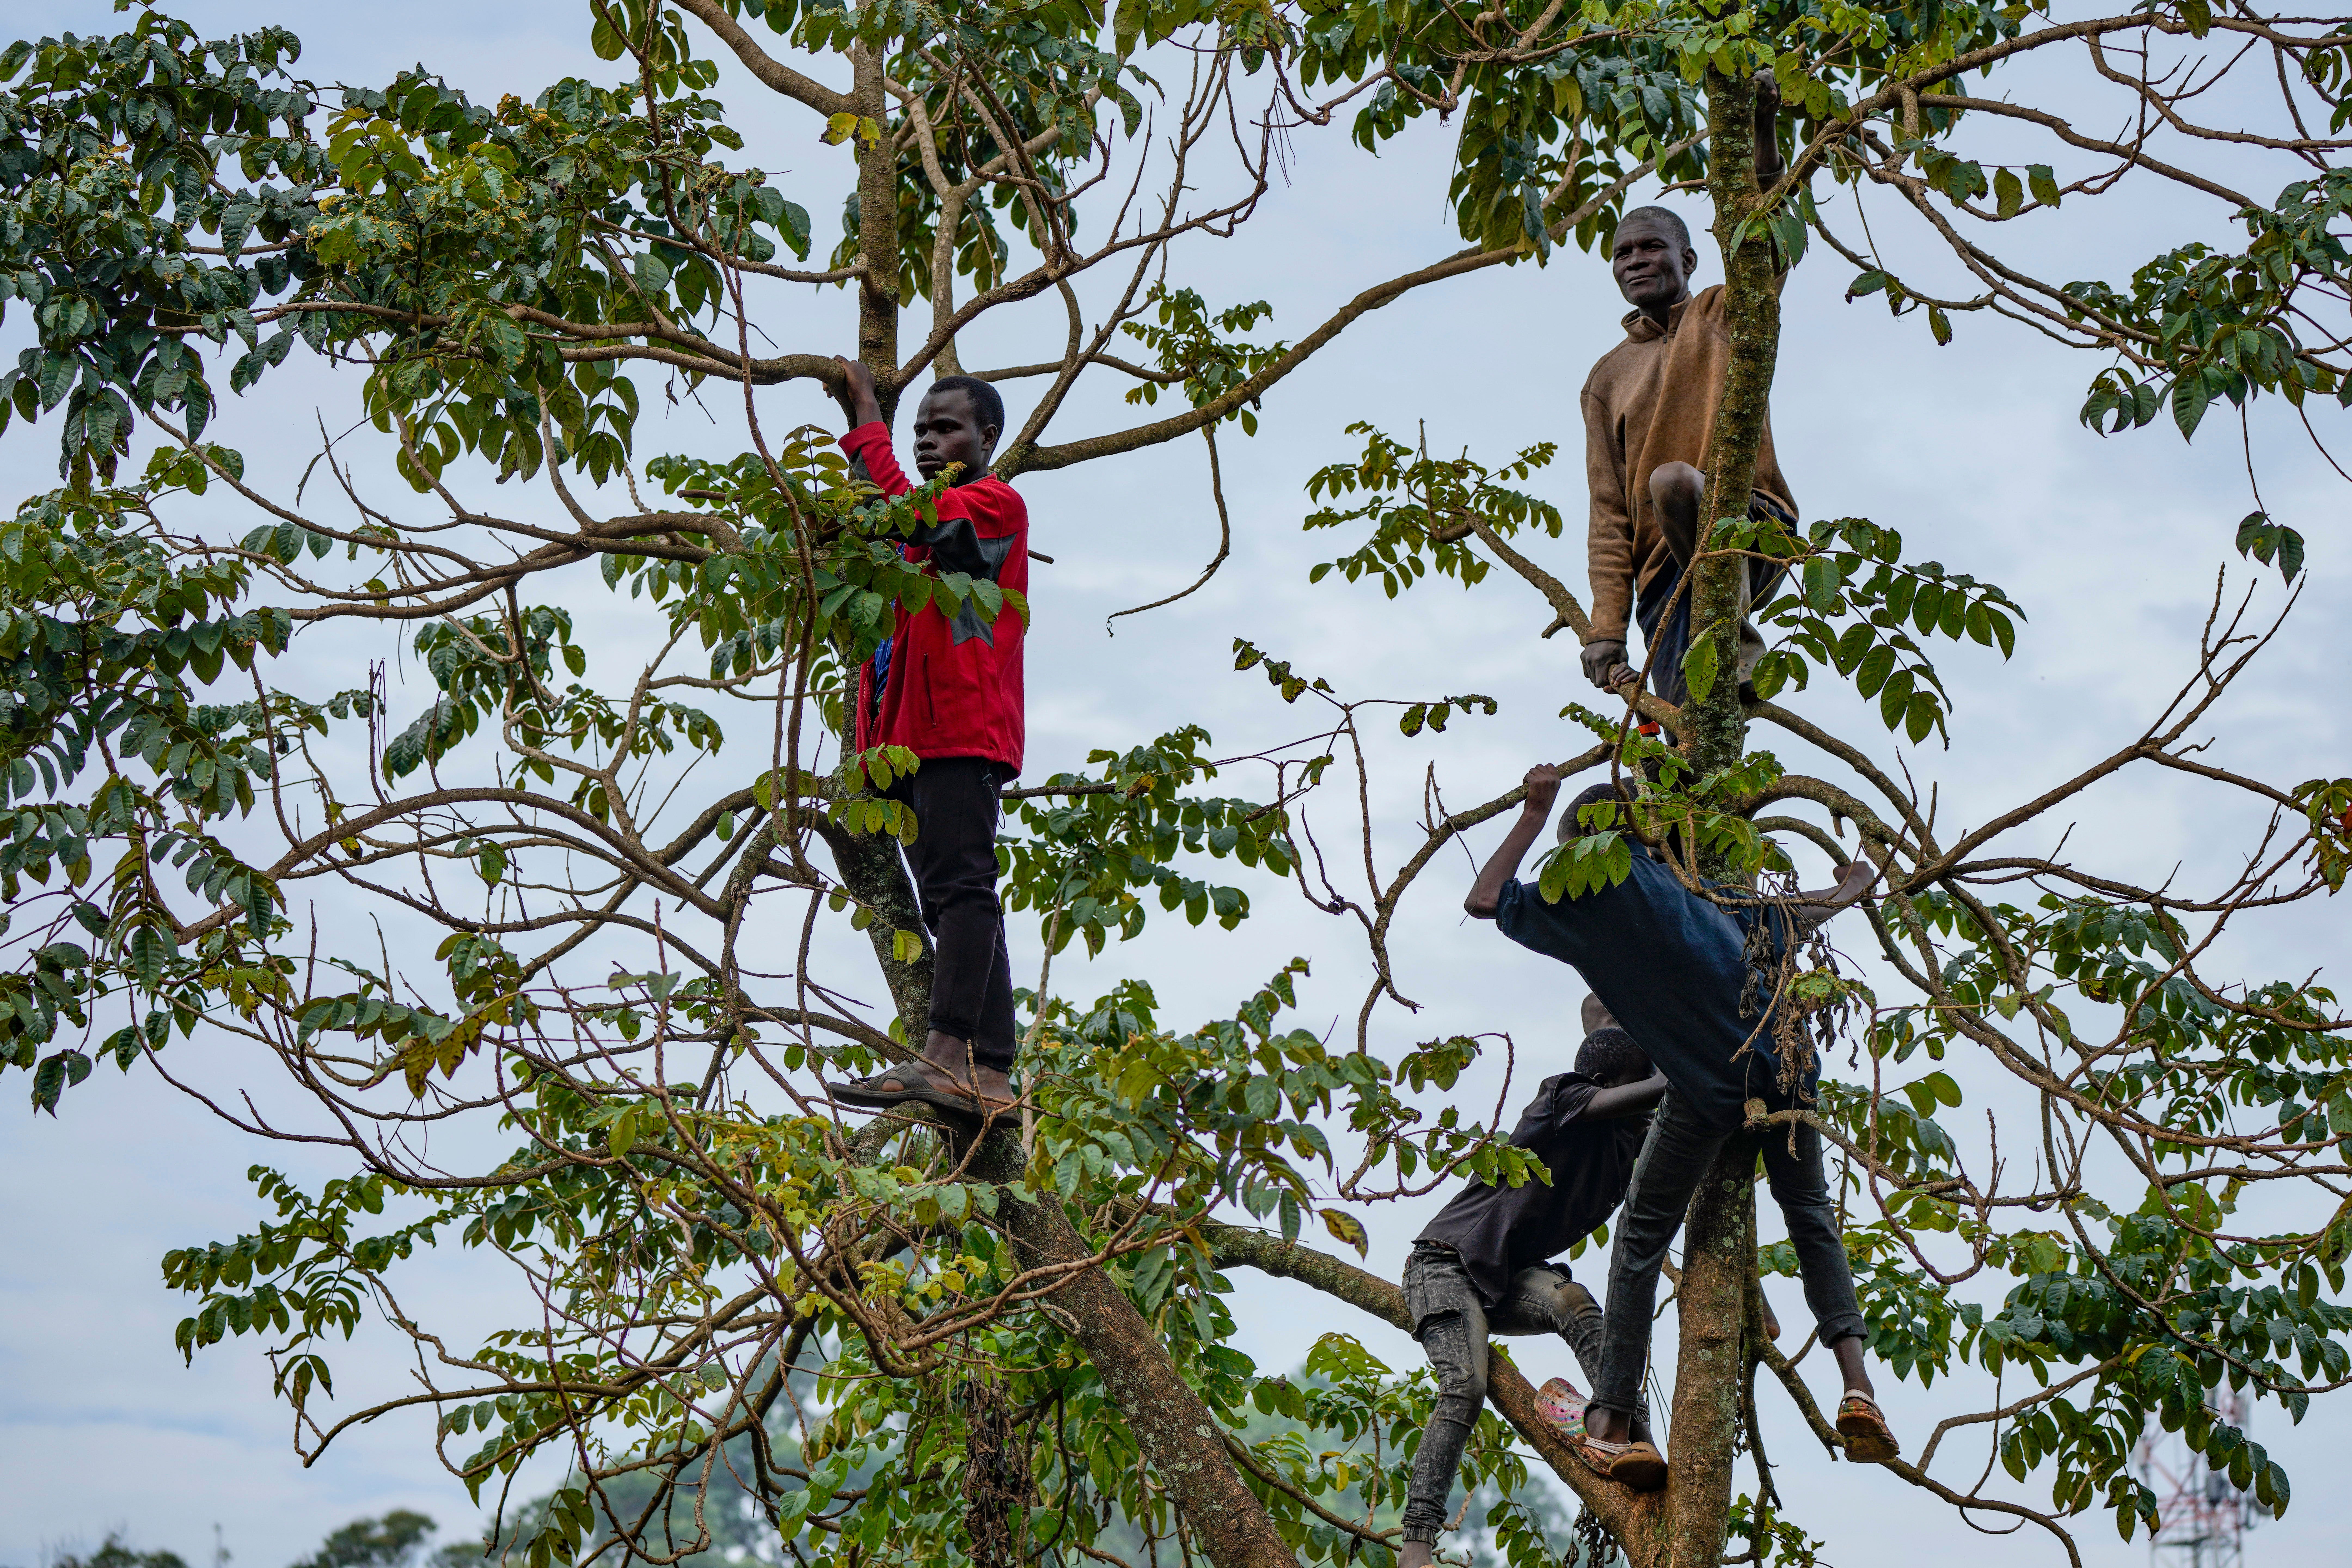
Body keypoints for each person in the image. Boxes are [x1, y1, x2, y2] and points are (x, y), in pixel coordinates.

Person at [1464, 766, 1901, 1490]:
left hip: (1713, 1082)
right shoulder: (1691, 886)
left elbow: (1487, 900)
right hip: (1790, 1064)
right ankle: (1859, 1387)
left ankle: (1607, 1425)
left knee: (1639, 1241)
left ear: (1582, 847)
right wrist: (1854, 882)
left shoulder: (1586, 889)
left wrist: (1535, 810)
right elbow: (1789, 916)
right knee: (1811, 1217)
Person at [825, 358, 1029, 1124]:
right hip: (912, 744)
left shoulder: (992, 504)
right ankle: (993, 1077)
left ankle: (945, 1057)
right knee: (951, 902)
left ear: (987, 436)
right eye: (919, 432)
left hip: (961, 734)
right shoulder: (920, 543)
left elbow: (905, 511)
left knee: (965, 890)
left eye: (946, 429)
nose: (930, 442)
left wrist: (867, 416)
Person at [1399, 999, 1668, 1567]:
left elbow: (1600, 1007)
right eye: (1639, 1080)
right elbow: (1636, 1082)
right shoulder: (1562, 1098)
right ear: (1606, 1083)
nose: (1646, 1092)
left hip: (1505, 1279)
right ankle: (1418, 1542)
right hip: (1445, 1265)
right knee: (1464, 1388)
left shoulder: (1629, 1141)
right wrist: (1686, 1067)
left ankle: (1628, 1436)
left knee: (1575, 1304)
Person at [1578, 78, 1798, 709]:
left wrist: (1763, 130)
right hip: (1661, 577)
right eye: (1622, 254)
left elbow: (1766, 229)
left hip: (1752, 527)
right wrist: (1604, 631)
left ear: (1690, 259)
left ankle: (1737, 646)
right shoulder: (1606, 378)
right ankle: (1685, 766)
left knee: (1675, 480)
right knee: (1679, 736)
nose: (1635, 261)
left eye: (1651, 247)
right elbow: (1608, 513)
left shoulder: (1725, 313)